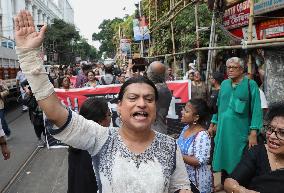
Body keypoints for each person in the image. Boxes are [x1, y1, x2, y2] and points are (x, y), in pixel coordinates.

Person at [14, 10, 192, 193]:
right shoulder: (101, 138)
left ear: (155, 108)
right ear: (119, 107)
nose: (142, 103)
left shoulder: (170, 147)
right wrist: (29, 58)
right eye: (133, 98)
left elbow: (180, 187)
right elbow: (54, 112)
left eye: (149, 99)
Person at [208, 57, 263, 191]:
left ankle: (238, 185)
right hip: (223, 130)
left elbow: (256, 109)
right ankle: (223, 182)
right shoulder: (225, 84)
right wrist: (213, 123)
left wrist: (254, 132)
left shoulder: (251, 85)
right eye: (229, 67)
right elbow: (218, 106)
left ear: (242, 69)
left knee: (239, 158)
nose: (230, 70)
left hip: (240, 131)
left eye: (234, 67)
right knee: (223, 154)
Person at [224, 102, 284, 193]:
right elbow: (229, 182)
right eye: (270, 129)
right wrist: (241, 190)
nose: (272, 136)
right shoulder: (257, 153)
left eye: (282, 133)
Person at [68, 97, 111, 193]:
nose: (111, 118)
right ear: (100, 121)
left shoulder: (77, 140)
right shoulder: (100, 147)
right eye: (109, 114)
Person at [177, 99, 213, 193]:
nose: (182, 112)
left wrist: (177, 154)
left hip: (197, 184)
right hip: (184, 180)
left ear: (196, 117)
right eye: (183, 109)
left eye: (186, 111)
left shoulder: (202, 135)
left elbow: (199, 160)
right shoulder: (185, 129)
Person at [147, 61, 173, 135]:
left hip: (155, 131)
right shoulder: (164, 88)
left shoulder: (154, 90)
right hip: (159, 129)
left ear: (150, 74)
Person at [21, 80, 46, 147]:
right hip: (34, 106)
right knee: (36, 124)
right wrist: (27, 89)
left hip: (44, 100)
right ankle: (39, 139)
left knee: (45, 124)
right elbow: (23, 83)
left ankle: (46, 137)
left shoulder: (45, 76)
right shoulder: (30, 77)